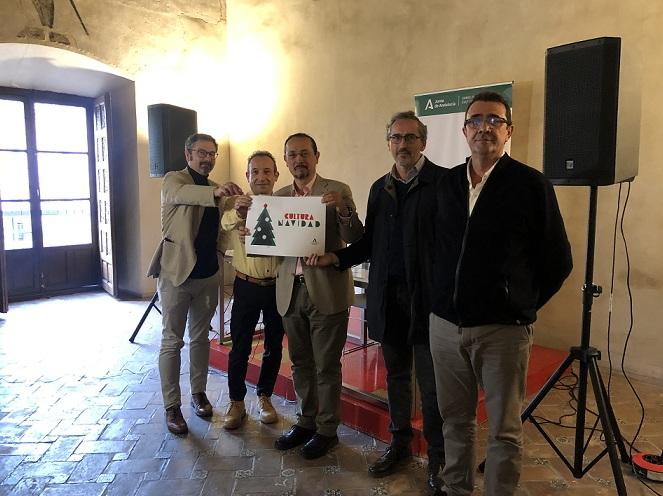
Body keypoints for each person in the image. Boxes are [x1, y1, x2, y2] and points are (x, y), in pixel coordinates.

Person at [429, 92, 573, 496]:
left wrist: (518, 304)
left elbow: (558, 260)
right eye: (476, 120)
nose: (485, 127)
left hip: (502, 332)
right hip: (444, 326)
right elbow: (434, 249)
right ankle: (455, 488)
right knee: (454, 420)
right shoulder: (447, 184)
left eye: (495, 120)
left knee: (504, 430)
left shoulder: (530, 184)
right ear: (464, 130)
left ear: (508, 131)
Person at [307, 111, 446, 493]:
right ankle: (399, 444)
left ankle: (439, 460)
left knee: (432, 388)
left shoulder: (443, 183)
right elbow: (369, 242)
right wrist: (336, 258)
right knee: (397, 378)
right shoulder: (378, 188)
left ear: (423, 142)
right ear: (388, 143)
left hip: (429, 303)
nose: (404, 145)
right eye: (396, 138)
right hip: (389, 301)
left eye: (411, 138)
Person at [272, 133, 363, 459]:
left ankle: (327, 430)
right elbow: (271, 245)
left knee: (326, 366)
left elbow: (355, 237)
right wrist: (247, 228)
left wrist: (342, 210)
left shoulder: (336, 191)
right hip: (289, 291)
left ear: (316, 156)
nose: (299, 160)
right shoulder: (278, 197)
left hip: (325, 291)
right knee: (300, 364)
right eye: (293, 155)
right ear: (286, 161)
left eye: (305, 153)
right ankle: (305, 421)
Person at [147, 133, 243, 435]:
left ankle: (198, 393)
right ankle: (171, 406)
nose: (208, 158)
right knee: (172, 341)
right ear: (188, 154)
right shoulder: (173, 180)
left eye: (212, 154)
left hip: (208, 275)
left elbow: (225, 223)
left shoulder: (215, 189)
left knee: (201, 338)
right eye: (202, 153)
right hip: (177, 275)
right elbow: (183, 195)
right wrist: (218, 195)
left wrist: (236, 206)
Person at [220, 150, 284, 430]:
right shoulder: (236, 204)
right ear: (247, 176)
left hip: (278, 287)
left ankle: (265, 397)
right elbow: (224, 225)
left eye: (267, 171)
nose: (261, 177)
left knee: (273, 346)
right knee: (240, 347)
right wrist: (239, 213)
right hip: (246, 285)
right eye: (255, 172)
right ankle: (236, 402)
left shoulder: (285, 205)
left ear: (276, 175)